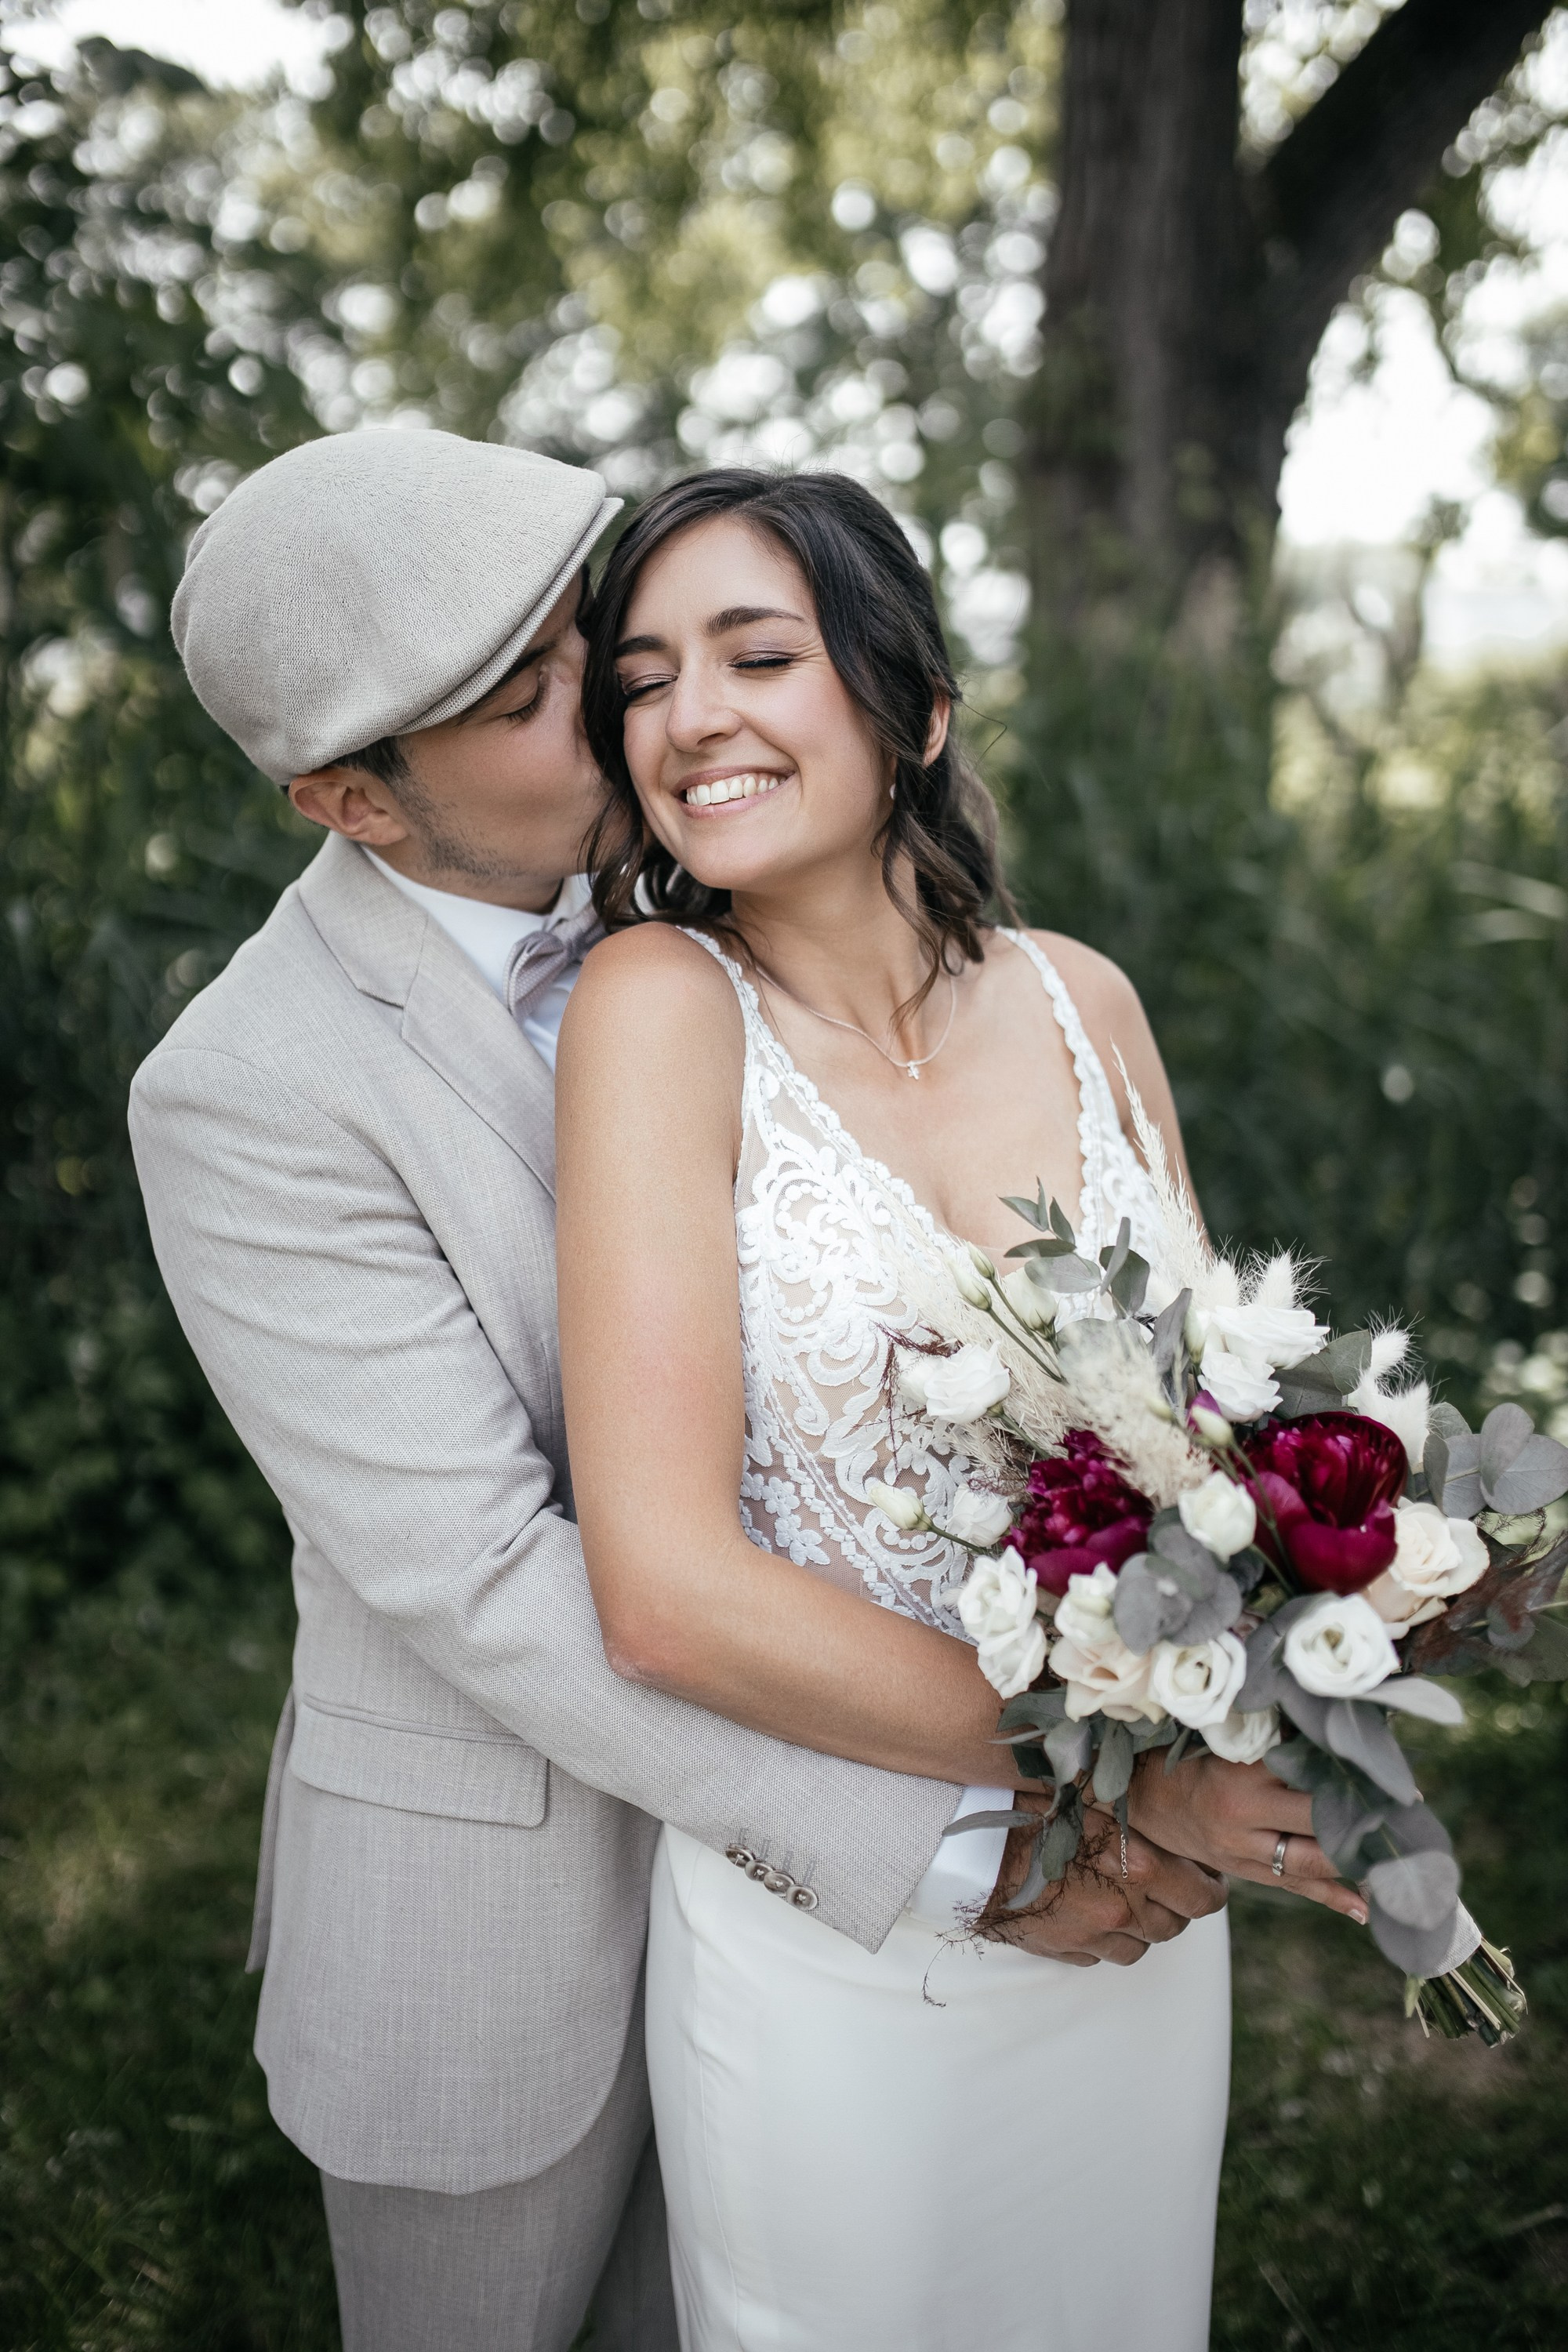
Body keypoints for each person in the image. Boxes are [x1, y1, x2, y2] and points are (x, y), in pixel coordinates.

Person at [128, 427, 1231, 2352]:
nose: (635, 716)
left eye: (600, 639)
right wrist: (994, 1822)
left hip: (891, 1785)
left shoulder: (738, 938)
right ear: (352, 798)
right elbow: (482, 1572)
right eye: (562, 691)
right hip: (516, 1902)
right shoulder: (246, 1092)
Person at [558, 468, 1367, 2350]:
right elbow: (663, 1590)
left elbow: (1209, 1444)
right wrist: (1109, 1775)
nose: (689, 718)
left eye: (759, 654)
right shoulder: (657, 1007)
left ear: (913, 706)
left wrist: (1306, 1641)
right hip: (857, 1933)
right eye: (646, 679)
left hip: (1143, 1924)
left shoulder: (1088, 1000)